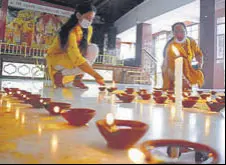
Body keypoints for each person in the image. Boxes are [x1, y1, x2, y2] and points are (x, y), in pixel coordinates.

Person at [46, 3, 105, 89]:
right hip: (58, 58)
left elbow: (84, 47)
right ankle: (59, 75)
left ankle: (78, 79)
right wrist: (96, 76)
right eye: (87, 18)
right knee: (84, 64)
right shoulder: (70, 31)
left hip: (74, 56)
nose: (89, 21)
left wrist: (85, 64)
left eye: (91, 19)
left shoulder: (89, 29)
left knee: (93, 48)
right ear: (78, 15)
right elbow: (76, 57)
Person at [162, 22, 204, 90]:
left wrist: (200, 63)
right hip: (172, 73)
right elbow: (170, 68)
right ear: (173, 33)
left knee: (198, 77)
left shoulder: (191, 42)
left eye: (182, 31)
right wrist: (182, 80)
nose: (179, 34)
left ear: (186, 32)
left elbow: (198, 53)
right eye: (176, 32)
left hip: (188, 70)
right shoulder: (170, 47)